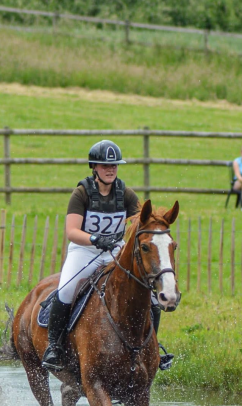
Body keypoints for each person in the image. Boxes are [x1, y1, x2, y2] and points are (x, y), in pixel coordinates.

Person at [42, 139, 172, 372]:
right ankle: (54, 347)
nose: (110, 169)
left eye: (114, 166)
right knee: (66, 290)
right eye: (105, 166)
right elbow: (72, 231)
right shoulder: (81, 193)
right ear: (94, 167)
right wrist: (94, 239)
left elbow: (142, 222)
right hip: (85, 250)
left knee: (150, 298)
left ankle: (150, 349)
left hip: (115, 251)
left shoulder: (127, 194)